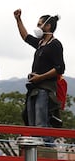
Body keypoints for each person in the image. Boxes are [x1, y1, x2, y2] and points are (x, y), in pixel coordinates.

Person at [13, 9, 65, 144]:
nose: (38, 27)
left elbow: (60, 68)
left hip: (45, 89)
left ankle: (47, 151)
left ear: (48, 26)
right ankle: (35, 153)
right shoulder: (40, 43)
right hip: (34, 88)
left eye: (39, 24)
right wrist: (18, 20)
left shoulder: (55, 44)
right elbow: (26, 37)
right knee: (32, 124)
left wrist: (40, 77)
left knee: (42, 123)